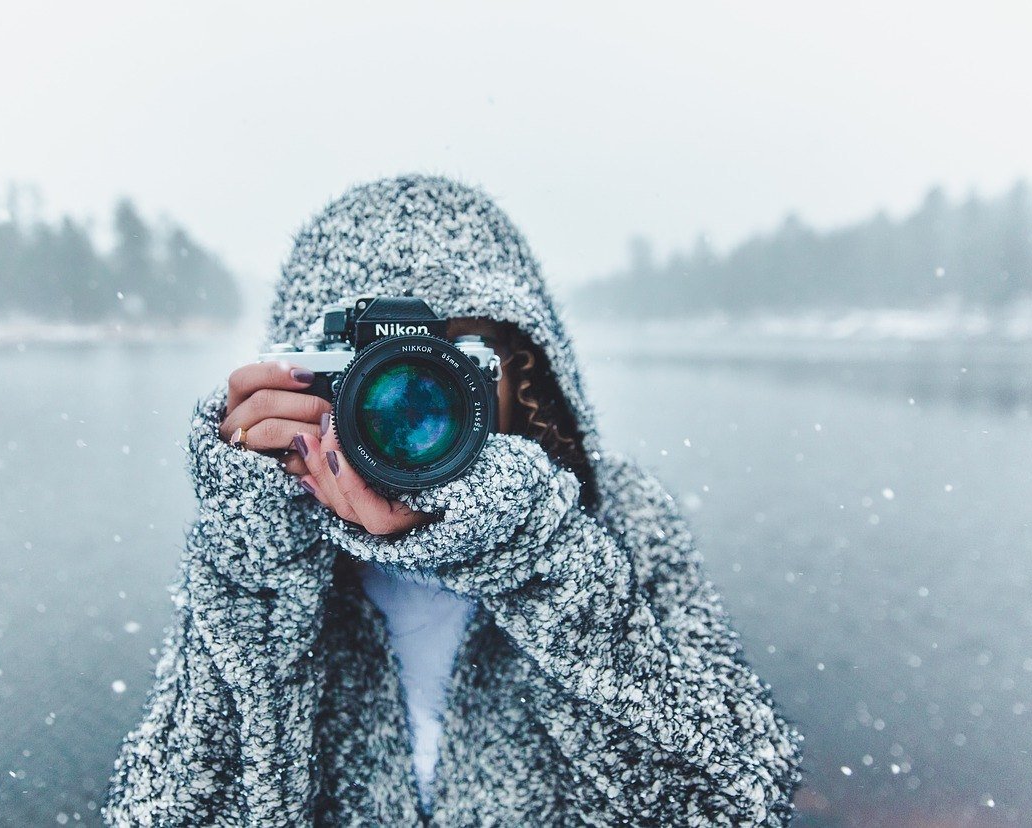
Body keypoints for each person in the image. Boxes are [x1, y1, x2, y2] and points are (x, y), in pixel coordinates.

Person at [104, 176, 801, 826]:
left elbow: (736, 802)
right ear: (303, 377)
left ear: (523, 371)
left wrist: (535, 555)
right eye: (368, 371)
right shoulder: (265, 545)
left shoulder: (618, 517)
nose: (409, 403)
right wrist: (254, 565)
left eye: (451, 360)